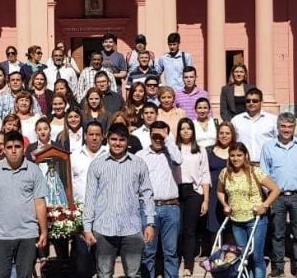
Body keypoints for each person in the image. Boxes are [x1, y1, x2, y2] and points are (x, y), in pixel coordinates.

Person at [82, 123, 155, 278]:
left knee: (134, 274)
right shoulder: (97, 165)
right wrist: (87, 227)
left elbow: (147, 194)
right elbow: (90, 197)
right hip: (104, 229)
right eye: (113, 139)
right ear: (107, 139)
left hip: (132, 229)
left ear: (127, 141)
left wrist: (149, 223)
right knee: (104, 274)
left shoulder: (138, 164)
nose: (117, 143)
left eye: (121, 140)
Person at [0, 131, 48, 278]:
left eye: (17, 146)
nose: (13, 150)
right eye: (9, 146)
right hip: (1, 235)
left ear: (23, 148)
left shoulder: (34, 171)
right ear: (4, 149)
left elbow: (40, 203)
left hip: (27, 234)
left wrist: (43, 231)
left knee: (24, 275)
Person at [261, 113, 297, 278]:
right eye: (283, 126)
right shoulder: (268, 146)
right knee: (278, 234)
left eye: (290, 127)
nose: (286, 130)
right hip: (277, 197)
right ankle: (278, 267)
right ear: (278, 127)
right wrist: (269, 195)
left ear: (294, 128)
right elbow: (264, 174)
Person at [217, 142, 281, 278]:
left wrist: (264, 205)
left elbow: (275, 189)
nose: (236, 158)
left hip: (255, 221)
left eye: (239, 155)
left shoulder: (255, 171)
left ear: (245, 155)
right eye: (233, 155)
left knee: (257, 256)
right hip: (236, 221)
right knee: (243, 256)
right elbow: (220, 191)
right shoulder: (225, 173)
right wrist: (225, 204)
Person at [136, 121, 182, 278]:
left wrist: (166, 138)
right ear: (149, 136)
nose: (158, 139)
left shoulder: (172, 153)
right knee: (148, 252)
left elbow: (179, 160)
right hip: (149, 208)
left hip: (171, 207)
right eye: (154, 135)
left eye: (161, 136)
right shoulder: (141, 155)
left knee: (171, 252)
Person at [174, 118, 211, 277]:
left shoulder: (200, 150)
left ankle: (188, 266)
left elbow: (205, 175)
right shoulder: (174, 149)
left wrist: (206, 200)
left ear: (193, 131)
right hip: (175, 192)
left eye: (188, 128)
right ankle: (174, 263)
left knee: (190, 231)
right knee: (177, 230)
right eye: (182, 129)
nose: (186, 131)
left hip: (193, 192)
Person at [69, 121, 106, 278]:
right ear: (85, 136)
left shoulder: (109, 155)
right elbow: (68, 186)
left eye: (98, 135)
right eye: (91, 134)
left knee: (102, 261)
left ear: (103, 136)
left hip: (105, 213)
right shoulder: (74, 157)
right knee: (82, 263)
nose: (94, 138)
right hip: (81, 214)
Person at [205, 121, 236, 252]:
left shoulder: (237, 150)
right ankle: (216, 256)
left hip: (232, 193)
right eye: (221, 133)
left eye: (227, 133)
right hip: (213, 194)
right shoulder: (210, 150)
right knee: (214, 225)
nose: (224, 136)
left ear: (232, 135)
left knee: (231, 226)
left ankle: (230, 257)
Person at [231, 88, 278, 164]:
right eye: (248, 101)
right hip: (243, 165)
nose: (251, 103)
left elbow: (278, 142)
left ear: (261, 102)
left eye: (255, 101)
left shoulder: (273, 120)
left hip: (266, 164)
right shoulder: (236, 120)